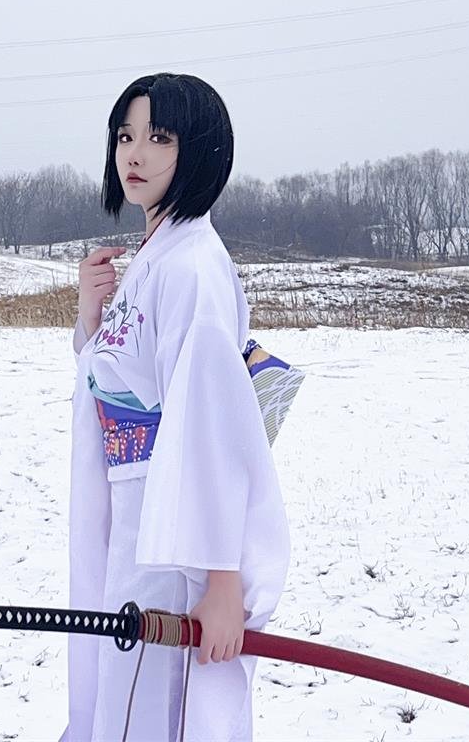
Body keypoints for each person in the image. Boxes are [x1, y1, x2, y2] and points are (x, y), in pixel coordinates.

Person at [58, 72, 291, 742]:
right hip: (133, 518)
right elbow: (118, 377)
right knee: (123, 694)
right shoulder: (157, 256)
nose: (134, 153)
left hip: (173, 535)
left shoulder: (191, 267)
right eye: (125, 136)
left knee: (155, 708)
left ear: (200, 150)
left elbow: (210, 426)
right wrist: (92, 314)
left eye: (159, 137)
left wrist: (221, 580)